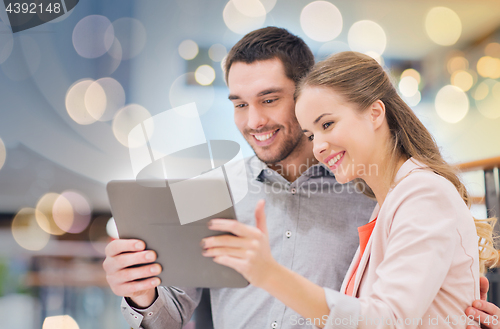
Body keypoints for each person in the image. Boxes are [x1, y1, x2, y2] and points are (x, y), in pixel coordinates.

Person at [201, 51, 499, 328]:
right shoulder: (387, 203)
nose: (318, 147)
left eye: (327, 124)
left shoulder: (422, 193)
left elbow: (386, 320)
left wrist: (269, 274)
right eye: (311, 134)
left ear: (375, 113)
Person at [103, 27, 376, 329]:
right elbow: (171, 317)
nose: (254, 121)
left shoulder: (367, 195)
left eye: (269, 100)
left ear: (305, 96)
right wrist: (143, 294)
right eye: (240, 105)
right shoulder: (208, 192)